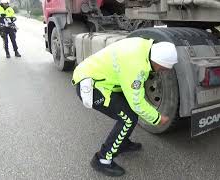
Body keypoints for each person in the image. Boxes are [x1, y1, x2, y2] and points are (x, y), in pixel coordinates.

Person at [72, 37, 178, 177]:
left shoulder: (145, 47)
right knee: (128, 118)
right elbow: (137, 103)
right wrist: (157, 118)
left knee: (130, 114)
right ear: (157, 61)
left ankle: (121, 143)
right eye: (163, 68)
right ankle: (102, 159)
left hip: (102, 79)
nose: (163, 71)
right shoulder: (136, 66)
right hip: (92, 86)